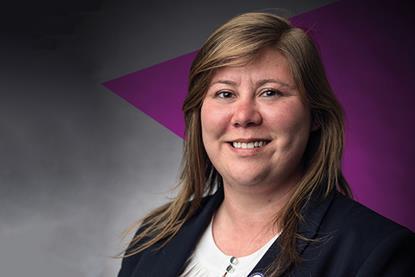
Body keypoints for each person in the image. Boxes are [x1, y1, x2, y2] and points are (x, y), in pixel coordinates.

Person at [118, 12, 415, 276]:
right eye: (225, 94)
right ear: (198, 113)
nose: (244, 116)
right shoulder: (153, 239)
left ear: (315, 116)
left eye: (270, 92)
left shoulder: (378, 254)